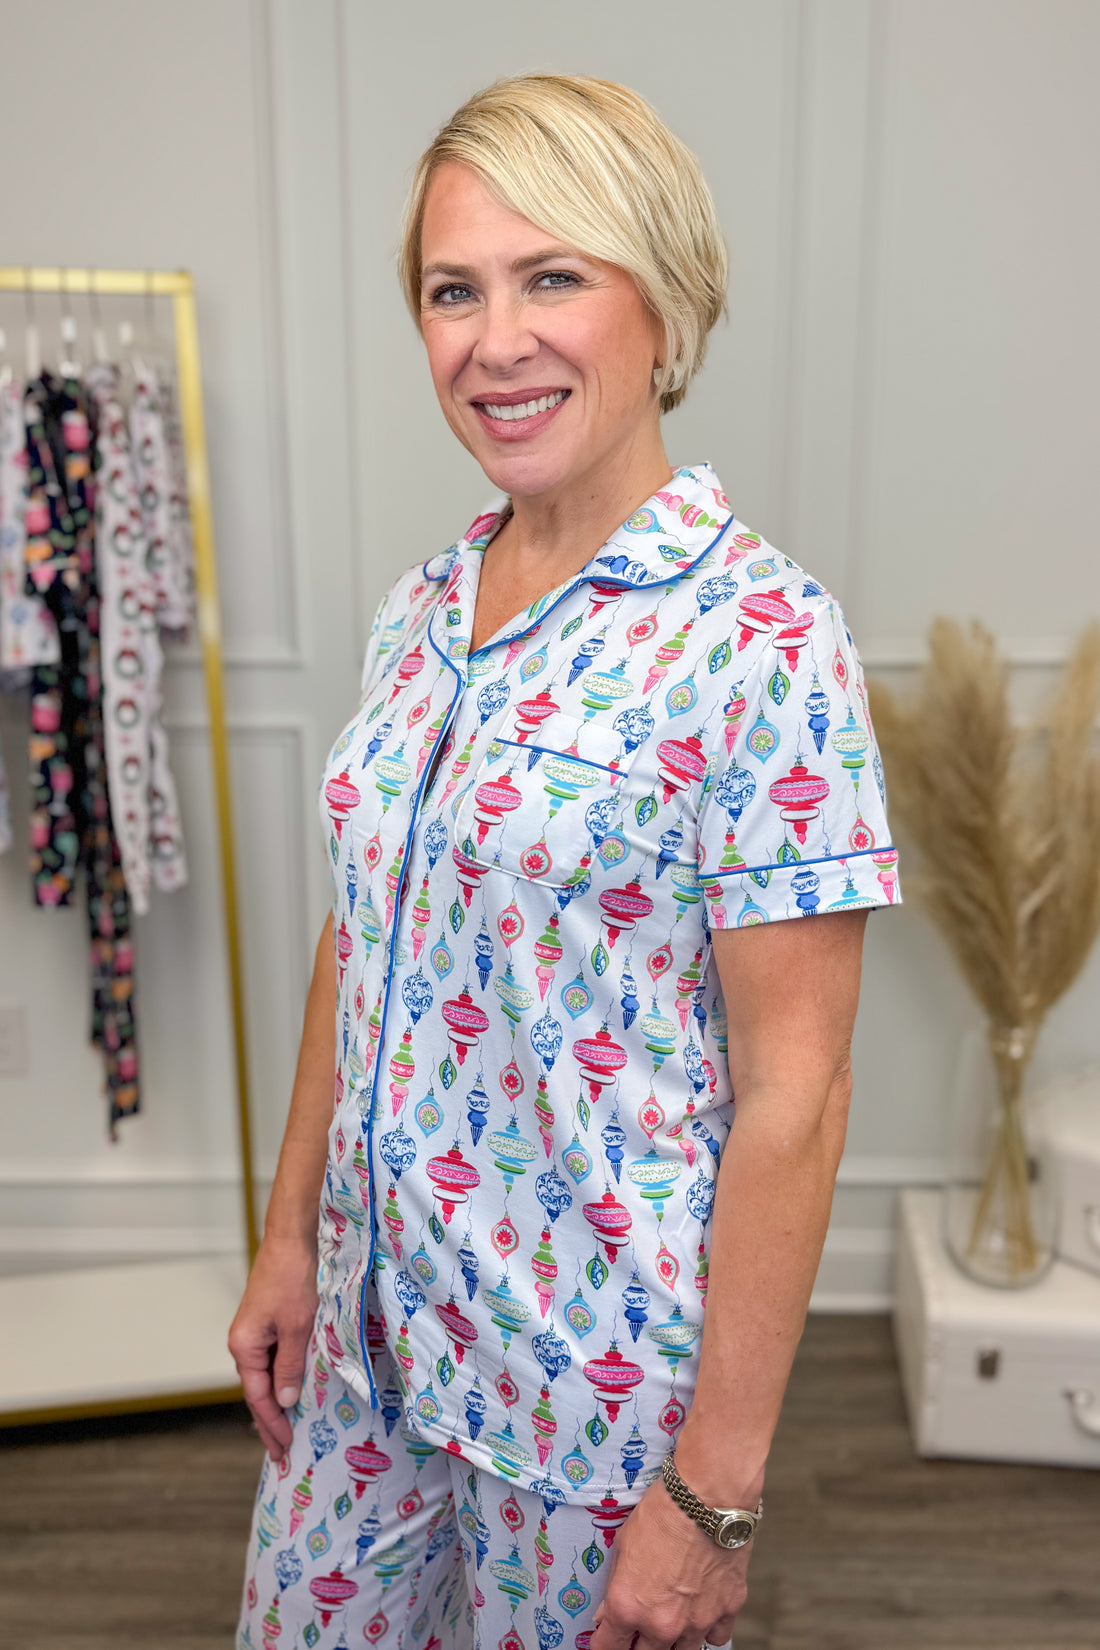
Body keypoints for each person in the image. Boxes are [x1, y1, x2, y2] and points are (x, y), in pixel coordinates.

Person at [231, 73, 900, 1650]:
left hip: (591, 1416)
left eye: (552, 277)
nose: (496, 339)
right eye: (452, 291)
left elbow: (798, 1096)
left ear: (660, 303)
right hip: (367, 1364)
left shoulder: (764, 640)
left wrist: (712, 1497)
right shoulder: (421, 606)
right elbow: (363, 933)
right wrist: (287, 1235)